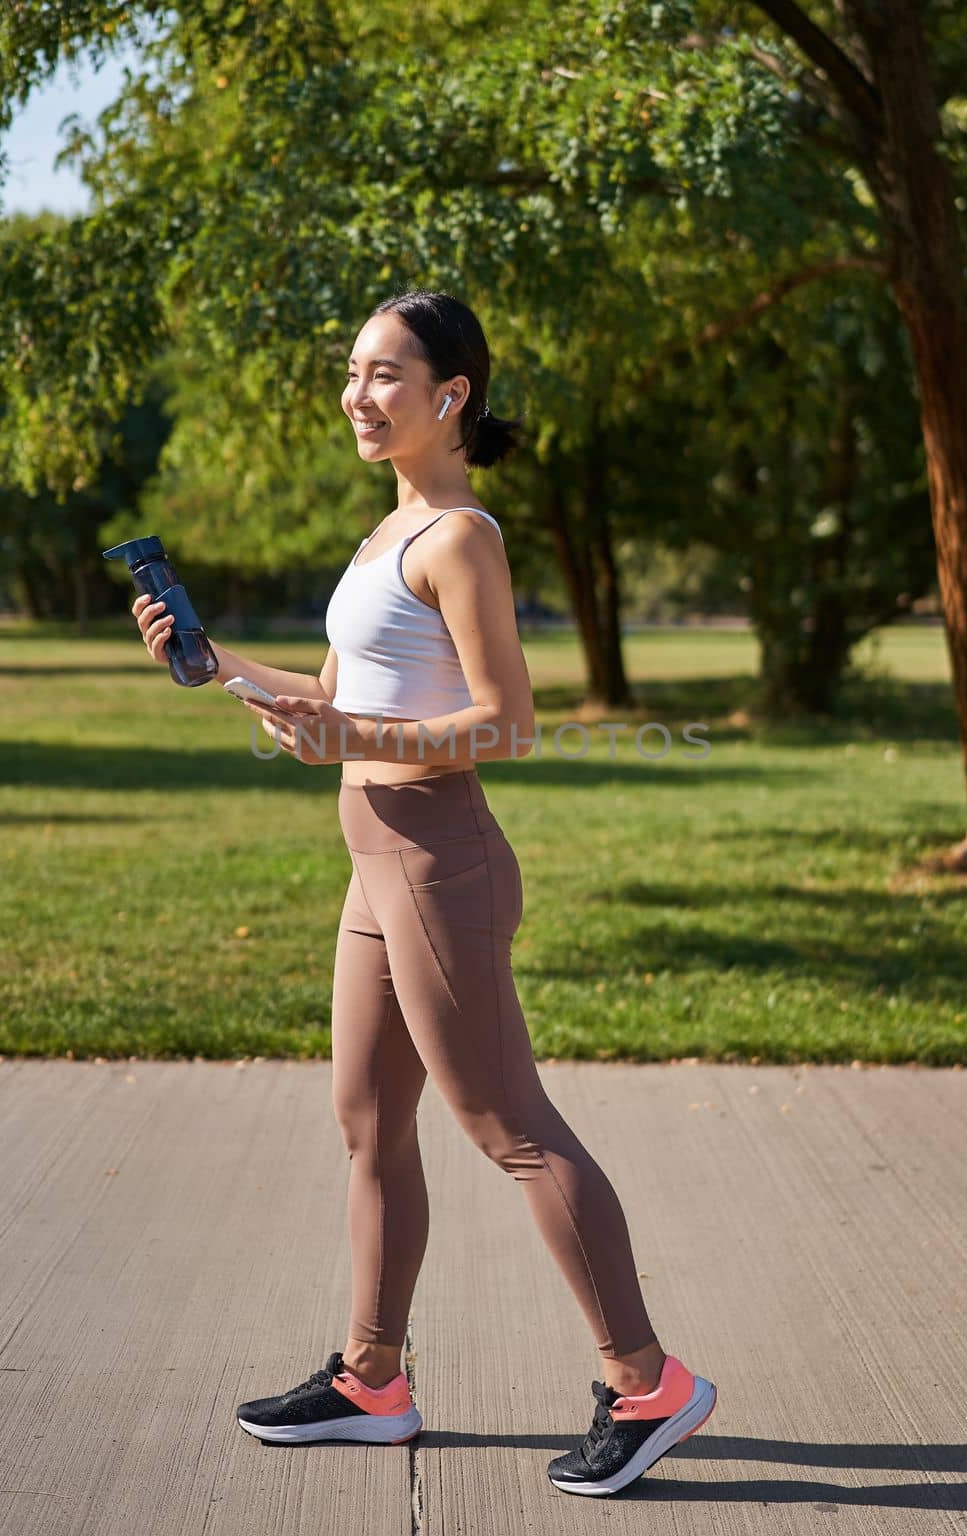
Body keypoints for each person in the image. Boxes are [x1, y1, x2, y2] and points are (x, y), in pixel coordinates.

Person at [131, 288, 716, 1496]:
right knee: (365, 1117)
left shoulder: (461, 535)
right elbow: (340, 690)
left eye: (385, 374)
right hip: (374, 856)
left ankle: (648, 1382)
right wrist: (219, 666)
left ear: (450, 396)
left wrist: (349, 725)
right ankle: (371, 1380)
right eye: (352, 371)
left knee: (508, 1126)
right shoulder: (379, 537)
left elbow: (506, 724)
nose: (357, 392)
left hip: (441, 857)